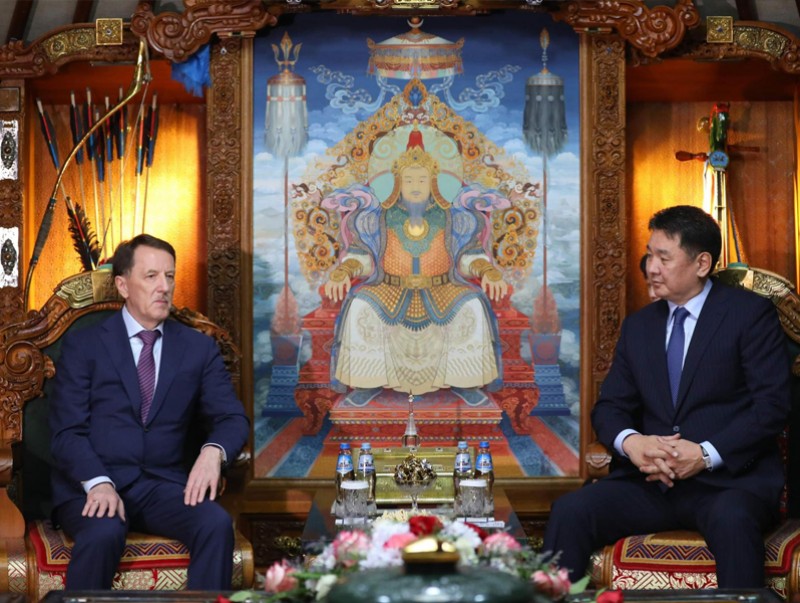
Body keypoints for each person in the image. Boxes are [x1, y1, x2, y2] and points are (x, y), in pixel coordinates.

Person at [543, 205, 791, 588]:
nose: (651, 267)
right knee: (571, 510)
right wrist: (633, 444)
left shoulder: (749, 315)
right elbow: (610, 407)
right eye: (649, 255)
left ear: (702, 263)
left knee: (733, 521)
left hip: (728, 485)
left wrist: (704, 454)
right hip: (651, 484)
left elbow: (772, 407)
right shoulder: (640, 326)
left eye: (663, 257)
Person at [49, 234, 250, 590]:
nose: (164, 287)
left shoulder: (198, 348)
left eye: (170, 276)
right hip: (93, 483)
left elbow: (231, 418)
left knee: (216, 524)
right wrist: (98, 482)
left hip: (163, 486)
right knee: (103, 531)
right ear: (123, 285)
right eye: (152, 276)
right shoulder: (85, 344)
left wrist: (213, 452)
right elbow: (67, 432)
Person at [322, 130, 509, 399]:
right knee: (361, 305)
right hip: (389, 288)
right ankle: (367, 383)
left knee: (472, 305)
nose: (415, 185)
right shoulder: (379, 218)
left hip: (443, 289)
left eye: (422, 179)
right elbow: (362, 256)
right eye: (409, 180)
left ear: (433, 182)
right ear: (398, 183)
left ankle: (465, 382)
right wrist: (343, 271)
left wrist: (488, 270)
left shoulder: (451, 217)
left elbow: (468, 255)